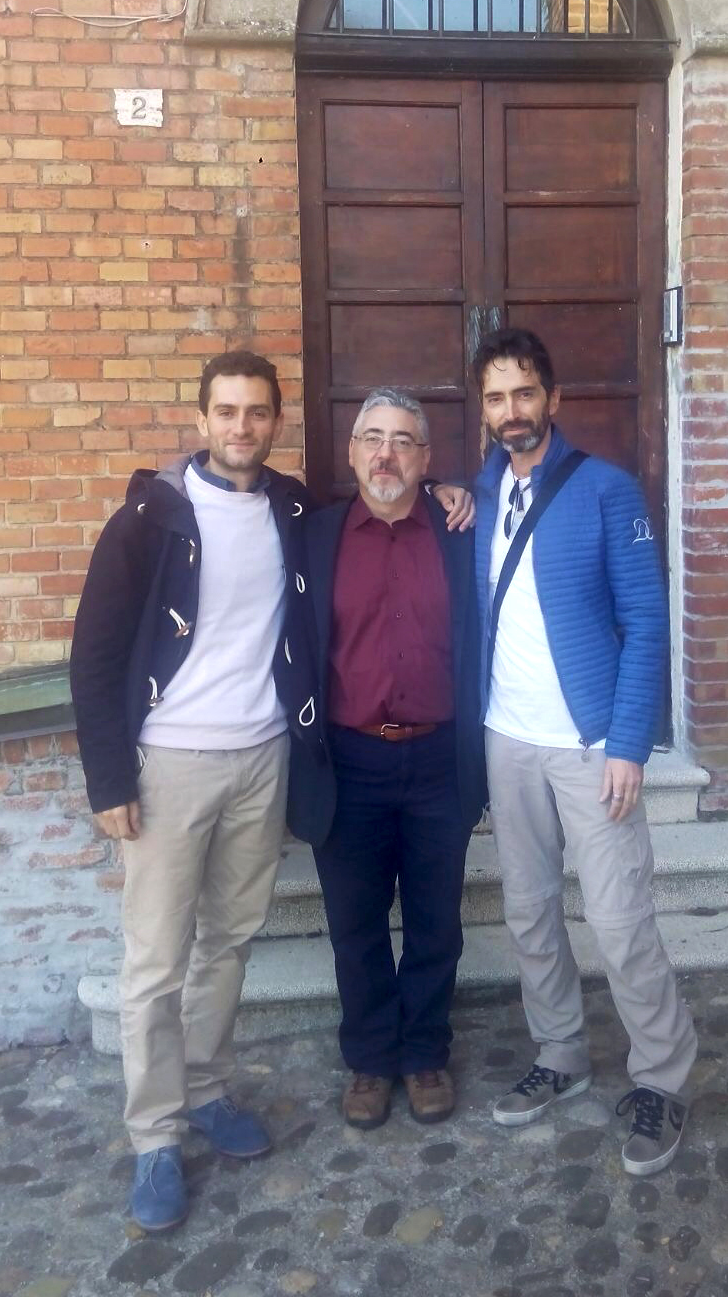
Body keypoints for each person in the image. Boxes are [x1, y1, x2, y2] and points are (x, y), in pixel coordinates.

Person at [70, 351, 472, 1231]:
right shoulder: (152, 516)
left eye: (256, 412)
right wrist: (108, 774)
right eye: (226, 411)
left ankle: (208, 1090)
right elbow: (95, 650)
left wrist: (451, 491)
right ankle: (154, 1135)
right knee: (156, 959)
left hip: (264, 757)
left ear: (277, 423)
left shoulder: (292, 511)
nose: (241, 426)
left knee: (229, 940)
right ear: (202, 418)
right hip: (171, 762)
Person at [471, 327, 697, 1176]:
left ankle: (664, 1077)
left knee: (619, 918)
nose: (512, 411)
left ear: (553, 399)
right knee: (530, 910)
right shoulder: (482, 492)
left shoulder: (607, 489)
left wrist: (629, 742)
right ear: (485, 410)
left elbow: (645, 622)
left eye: (524, 392)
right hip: (507, 738)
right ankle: (560, 1051)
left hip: (590, 743)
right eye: (496, 397)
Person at [287, 389, 486, 1130]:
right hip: (349, 761)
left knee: (437, 921)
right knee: (356, 923)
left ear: (426, 458)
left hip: (439, 757)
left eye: (403, 441)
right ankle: (371, 1058)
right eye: (372, 437)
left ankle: (425, 1052)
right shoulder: (316, 534)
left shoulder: (462, 531)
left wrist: (460, 493)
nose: (385, 454)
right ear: (351, 451)